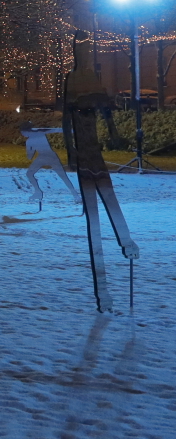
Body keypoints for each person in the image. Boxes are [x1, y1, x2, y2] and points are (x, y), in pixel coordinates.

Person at [63, 39, 139, 312]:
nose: (82, 54)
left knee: (111, 198)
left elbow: (106, 111)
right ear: (75, 52)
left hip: (93, 150)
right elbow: (66, 118)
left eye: (85, 49)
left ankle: (126, 242)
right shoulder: (71, 79)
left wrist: (114, 132)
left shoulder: (91, 77)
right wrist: (71, 152)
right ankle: (104, 290)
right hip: (84, 155)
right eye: (79, 50)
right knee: (94, 219)